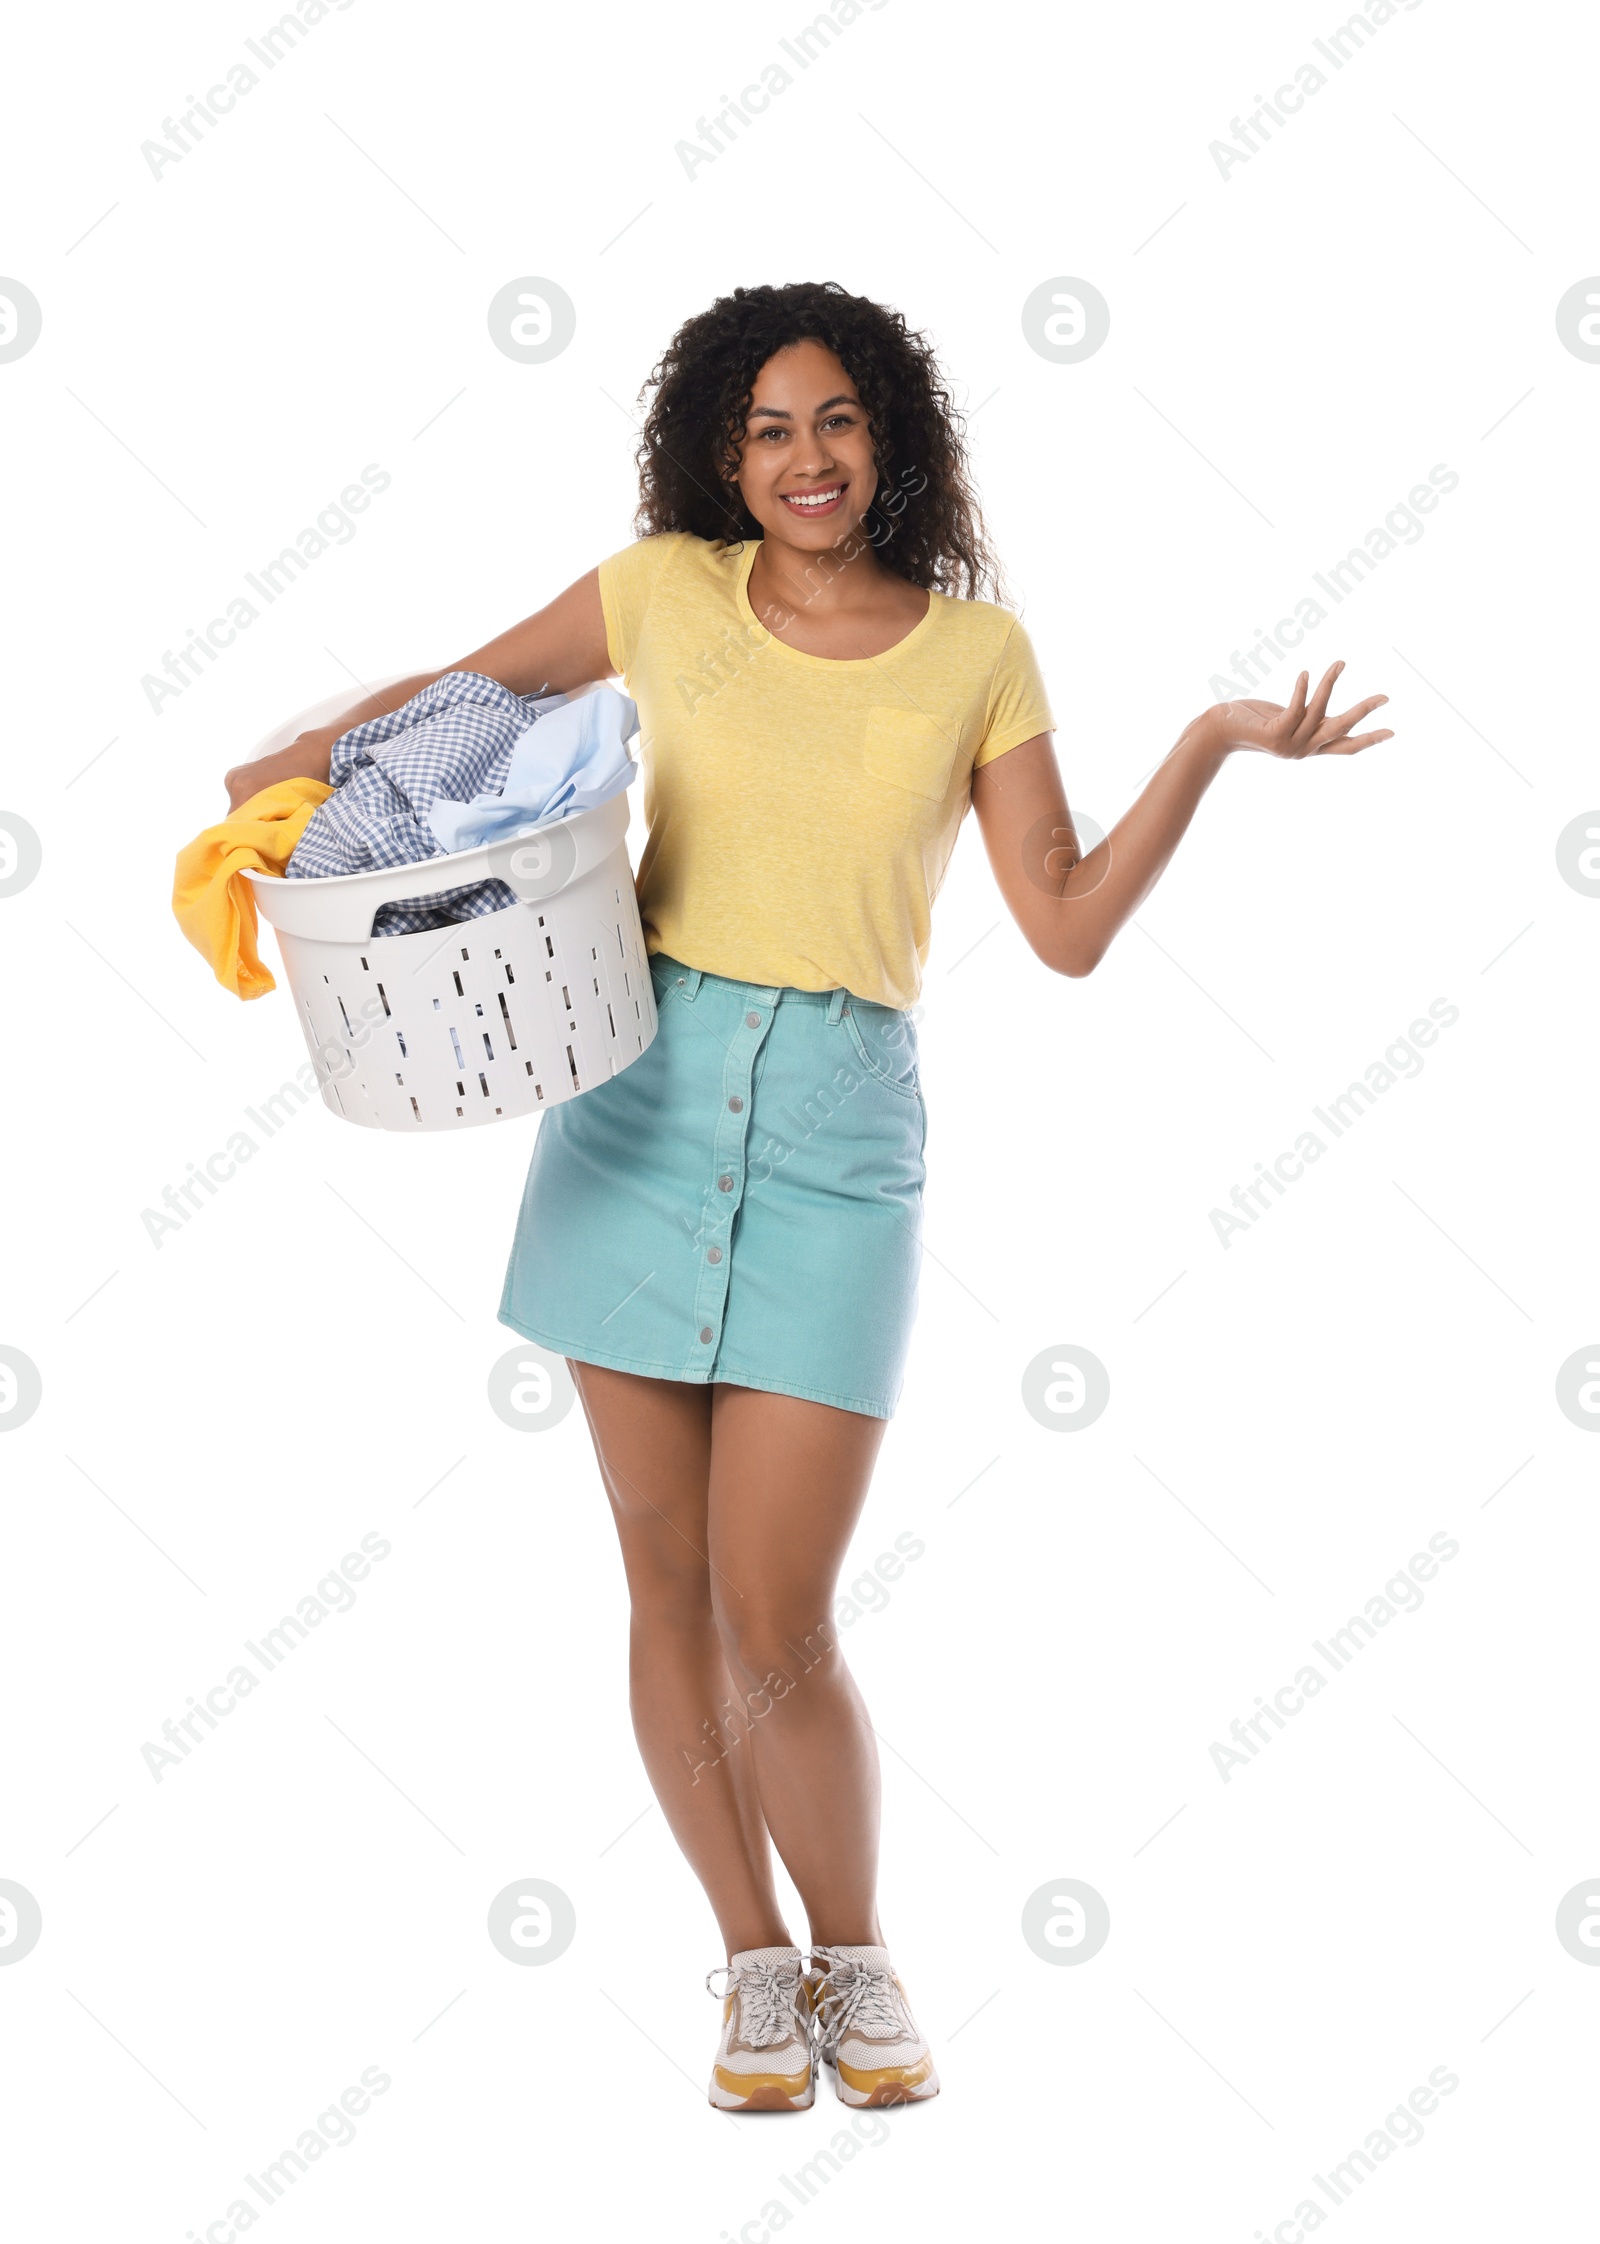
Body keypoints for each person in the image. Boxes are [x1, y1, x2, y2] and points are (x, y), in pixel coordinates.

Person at [225, 281, 1393, 2112]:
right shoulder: (665, 596)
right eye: (766, 427)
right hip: (632, 1094)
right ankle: (752, 1967)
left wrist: (1214, 746)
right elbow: (472, 696)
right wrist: (290, 775)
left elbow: (1067, 927)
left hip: (843, 1139)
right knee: (665, 1581)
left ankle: (859, 1958)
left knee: (780, 1609)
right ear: (721, 448)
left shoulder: (976, 653)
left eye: (835, 419)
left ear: (891, 437)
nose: (803, 457)